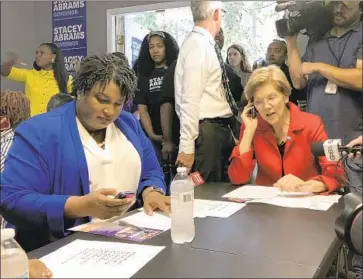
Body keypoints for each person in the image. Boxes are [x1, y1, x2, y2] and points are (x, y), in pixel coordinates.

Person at [0, 53, 170, 252]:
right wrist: (80, 206)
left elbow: (151, 171)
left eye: (118, 103)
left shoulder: (128, 124)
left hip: (126, 241)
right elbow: (12, 198)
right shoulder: (39, 131)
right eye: (102, 100)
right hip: (65, 248)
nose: (110, 111)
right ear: (80, 90)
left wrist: (152, 192)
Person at [228, 65, 343, 193]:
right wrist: (248, 133)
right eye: (259, 101)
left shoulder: (312, 124)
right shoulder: (252, 126)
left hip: (305, 202)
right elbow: (237, 178)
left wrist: (306, 186)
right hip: (267, 206)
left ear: (285, 96)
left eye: (272, 98)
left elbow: (336, 174)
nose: (266, 106)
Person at [175, 0, 239, 182]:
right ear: (217, 13)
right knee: (206, 198)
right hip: (207, 134)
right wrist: (186, 148)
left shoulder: (204, 43)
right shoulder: (197, 45)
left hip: (218, 131)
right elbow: (189, 99)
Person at [160, 27, 244, 164]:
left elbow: (239, 101)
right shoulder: (180, 65)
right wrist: (168, 140)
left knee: (228, 182)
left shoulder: (227, 70)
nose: (217, 34)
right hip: (200, 133)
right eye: (213, 30)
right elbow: (166, 104)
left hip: (227, 133)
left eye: (221, 32)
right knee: (204, 183)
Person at [286, 1, 362, 143]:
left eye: (345, 5)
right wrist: (291, 41)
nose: (338, 9)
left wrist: (319, 67)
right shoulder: (317, 37)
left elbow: (360, 79)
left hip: (352, 136)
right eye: (335, 4)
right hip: (316, 133)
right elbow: (298, 81)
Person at [134, 31, 179, 162]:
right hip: (154, 135)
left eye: (159, 46)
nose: (155, 50)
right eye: (151, 47)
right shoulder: (143, 76)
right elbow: (143, 109)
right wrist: (152, 134)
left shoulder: (176, 71)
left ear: (167, 47)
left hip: (178, 133)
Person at [1, 43, 73, 116]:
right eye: (36, 53)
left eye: (42, 53)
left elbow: (73, 104)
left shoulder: (66, 79)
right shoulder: (29, 75)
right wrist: (10, 62)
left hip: (54, 123)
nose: (37, 55)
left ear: (53, 57)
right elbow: (4, 71)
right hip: (32, 123)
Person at [266, 39, 307, 107]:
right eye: (269, 50)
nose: (271, 54)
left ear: (285, 56)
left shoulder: (291, 73)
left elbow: (300, 96)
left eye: (277, 51)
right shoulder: (260, 72)